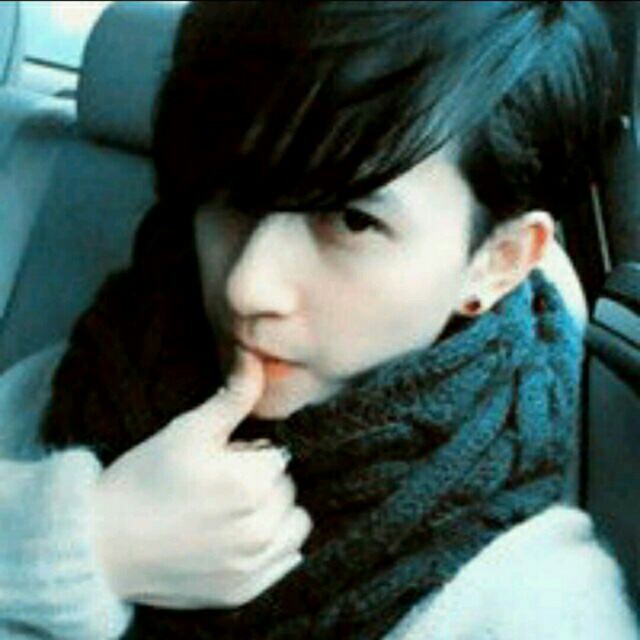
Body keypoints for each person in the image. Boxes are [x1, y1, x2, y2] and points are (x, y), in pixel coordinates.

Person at [0, 1, 638, 638]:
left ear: (497, 264)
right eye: (231, 194)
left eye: (353, 221)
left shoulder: (533, 603)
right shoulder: (60, 389)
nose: (247, 286)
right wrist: (85, 541)